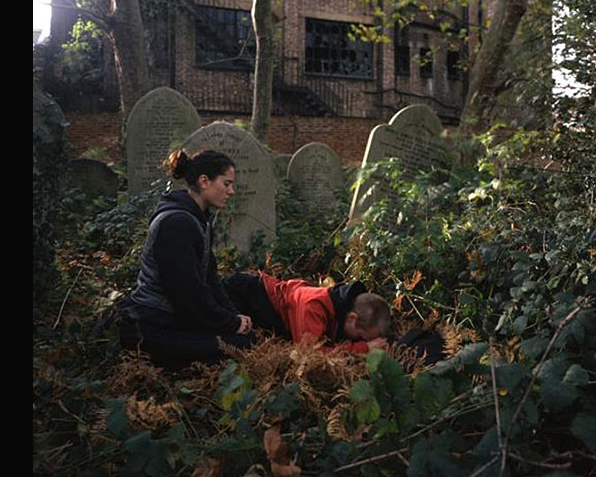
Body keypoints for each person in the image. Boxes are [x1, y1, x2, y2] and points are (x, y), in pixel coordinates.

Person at [116, 149, 255, 370]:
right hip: (151, 328)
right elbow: (187, 294)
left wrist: (234, 317)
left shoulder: (198, 220)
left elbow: (210, 280)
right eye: (226, 184)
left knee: (245, 335)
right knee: (240, 347)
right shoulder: (177, 223)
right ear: (204, 181)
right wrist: (230, 323)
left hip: (175, 320)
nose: (231, 191)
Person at [223, 272, 391, 353]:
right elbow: (309, 355)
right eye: (360, 335)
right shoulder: (313, 307)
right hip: (240, 297)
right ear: (352, 318)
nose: (357, 339)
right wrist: (363, 348)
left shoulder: (336, 307)